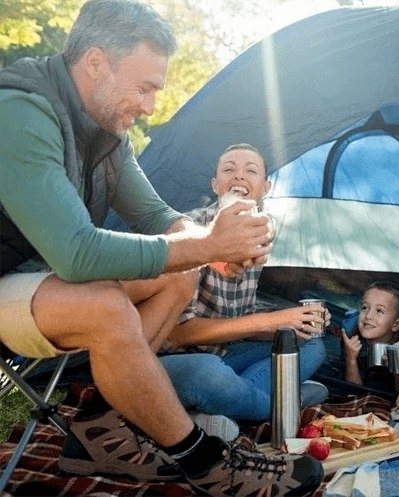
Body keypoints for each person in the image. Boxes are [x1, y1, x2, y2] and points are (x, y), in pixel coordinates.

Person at [0, 1, 322, 495]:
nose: (151, 106)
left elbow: (158, 219)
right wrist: (205, 245)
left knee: (179, 272)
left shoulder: (106, 131)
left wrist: (217, 244)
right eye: (145, 86)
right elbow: (77, 255)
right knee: (106, 307)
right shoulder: (21, 113)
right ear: (94, 63)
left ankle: (104, 423)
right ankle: (206, 462)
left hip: (39, 275)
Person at [159, 143, 328, 424]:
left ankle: (231, 403)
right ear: (215, 185)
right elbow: (177, 335)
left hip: (225, 353)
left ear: (265, 187)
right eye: (229, 169)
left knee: (312, 345)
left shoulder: (258, 233)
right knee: (209, 373)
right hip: (178, 359)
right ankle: (287, 402)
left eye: (250, 171)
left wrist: (291, 325)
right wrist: (270, 321)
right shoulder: (189, 230)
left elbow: (239, 323)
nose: (238, 176)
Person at [340, 281, 399, 393]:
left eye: (379, 311)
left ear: (396, 324)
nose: (369, 316)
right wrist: (351, 358)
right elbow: (353, 393)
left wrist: (398, 371)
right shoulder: (351, 340)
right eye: (365, 308)